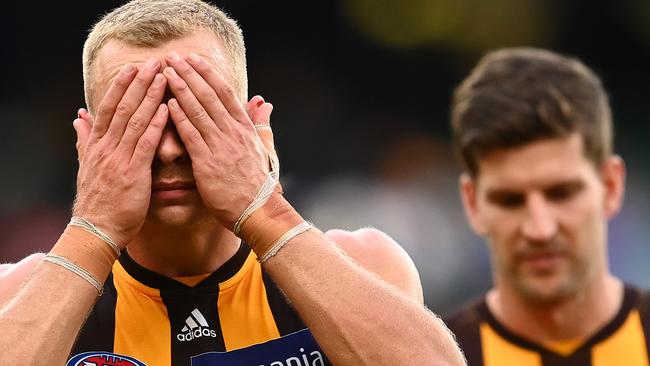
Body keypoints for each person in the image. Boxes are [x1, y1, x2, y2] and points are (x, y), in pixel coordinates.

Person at [0, 0, 466, 365]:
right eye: (136, 120)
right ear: (87, 143)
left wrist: (264, 211)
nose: (167, 151)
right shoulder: (16, 297)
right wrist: (94, 228)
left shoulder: (365, 265)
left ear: (255, 127)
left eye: (196, 113)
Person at [445, 47, 650, 365]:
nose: (540, 229)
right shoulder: (439, 357)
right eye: (510, 200)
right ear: (472, 203)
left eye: (562, 193)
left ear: (611, 186)